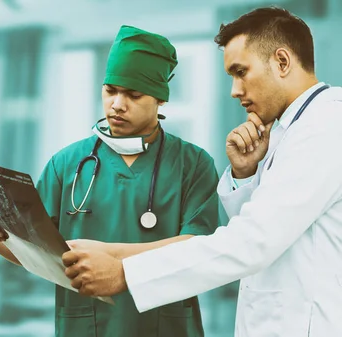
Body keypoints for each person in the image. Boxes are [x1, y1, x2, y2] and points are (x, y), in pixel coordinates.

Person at [62, 7, 342, 337]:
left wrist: (126, 273)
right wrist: (245, 174)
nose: (234, 90)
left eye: (241, 72)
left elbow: (251, 242)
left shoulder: (325, 127)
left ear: (282, 62)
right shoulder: (288, 130)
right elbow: (262, 225)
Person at [0, 25, 221, 337]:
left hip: (164, 325)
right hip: (86, 325)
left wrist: (111, 258)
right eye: (110, 90)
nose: (117, 104)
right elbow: (36, 254)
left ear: (161, 99)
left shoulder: (193, 164)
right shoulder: (66, 164)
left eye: (134, 94)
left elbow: (200, 248)